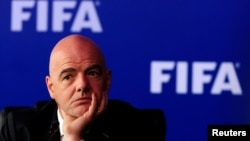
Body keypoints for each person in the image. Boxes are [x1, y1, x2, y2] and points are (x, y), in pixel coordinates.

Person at [0, 34, 166, 141]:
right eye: (68, 77)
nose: (82, 85)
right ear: (51, 88)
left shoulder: (140, 128)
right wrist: (72, 138)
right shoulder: (19, 129)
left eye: (92, 73)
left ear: (107, 81)